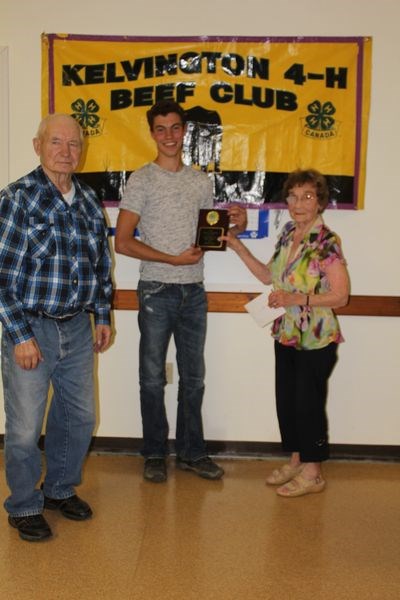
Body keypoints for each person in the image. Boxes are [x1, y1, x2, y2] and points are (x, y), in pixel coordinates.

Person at [115, 100, 246, 484]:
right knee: (152, 378)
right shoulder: (141, 180)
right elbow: (123, 242)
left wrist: (234, 223)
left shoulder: (200, 182)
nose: (169, 136)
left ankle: (192, 452)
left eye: (175, 128)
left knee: (194, 378)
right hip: (156, 290)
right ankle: (154, 453)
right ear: (152, 133)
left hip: (195, 293)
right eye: (161, 129)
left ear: (184, 131)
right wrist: (171, 261)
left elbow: (208, 238)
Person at [0, 114, 113, 541]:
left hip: (79, 329)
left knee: (79, 417)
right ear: (38, 145)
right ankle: (24, 504)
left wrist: (101, 315)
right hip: (32, 327)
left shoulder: (87, 201)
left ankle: (59, 489)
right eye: (57, 142)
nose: (67, 151)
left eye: (74, 144)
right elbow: (1, 275)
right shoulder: (16, 199)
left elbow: (100, 268)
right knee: (26, 426)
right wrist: (20, 335)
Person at [223, 169, 349, 497]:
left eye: (307, 196)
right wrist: (236, 245)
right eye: (293, 196)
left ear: (320, 202)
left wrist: (297, 298)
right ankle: (296, 459)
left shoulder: (326, 241)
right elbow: (268, 277)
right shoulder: (288, 233)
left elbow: (341, 295)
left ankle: (313, 472)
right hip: (287, 332)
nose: (298, 203)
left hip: (316, 336)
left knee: (308, 403)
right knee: (289, 401)